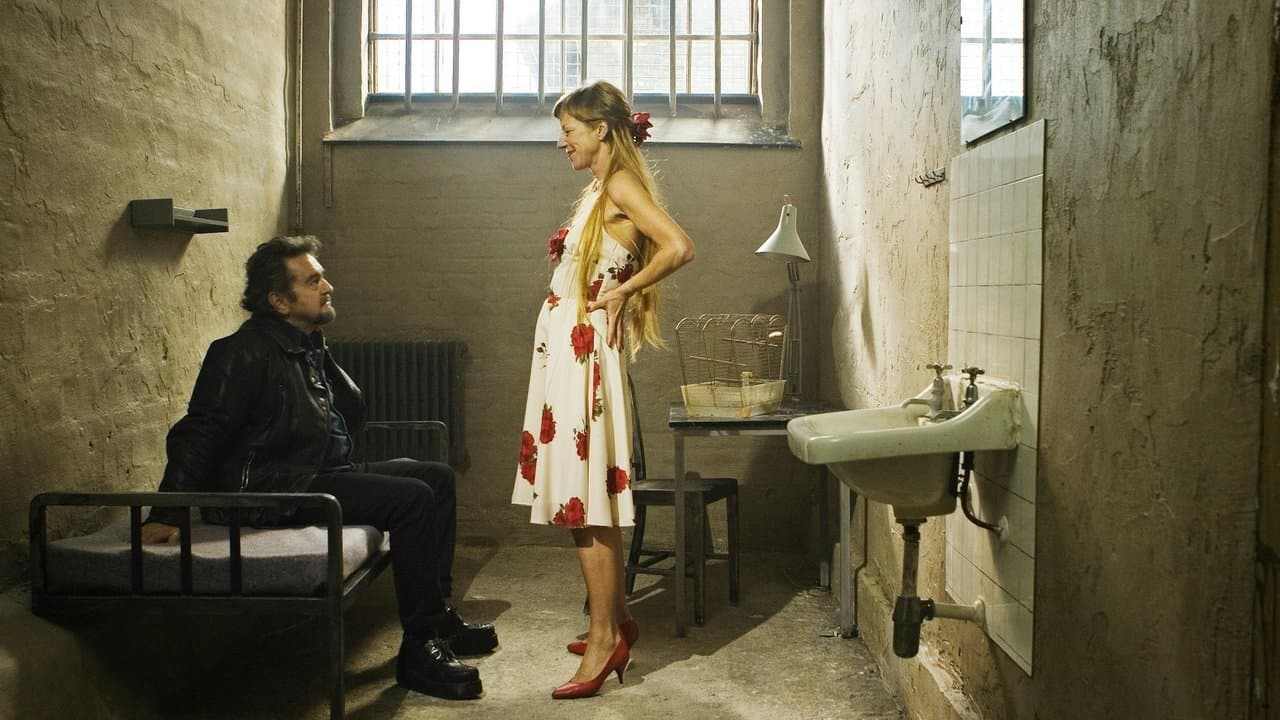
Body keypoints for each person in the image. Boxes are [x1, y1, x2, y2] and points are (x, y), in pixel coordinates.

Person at [140, 235, 497, 701]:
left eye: (322, 276)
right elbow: (201, 431)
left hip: (316, 472)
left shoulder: (303, 346)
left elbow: (348, 412)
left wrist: (318, 349)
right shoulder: (241, 352)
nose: (327, 286)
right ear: (278, 301)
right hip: (274, 489)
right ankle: (418, 649)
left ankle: (437, 616)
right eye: (312, 281)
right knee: (412, 498)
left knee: (436, 476)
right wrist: (167, 512)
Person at [511, 80, 695, 699]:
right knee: (583, 501)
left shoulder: (619, 185)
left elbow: (678, 246)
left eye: (568, 130)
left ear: (602, 131)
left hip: (583, 356)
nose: (561, 141)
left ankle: (603, 638)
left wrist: (623, 290)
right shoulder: (599, 186)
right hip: (567, 353)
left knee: (585, 504)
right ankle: (615, 621)